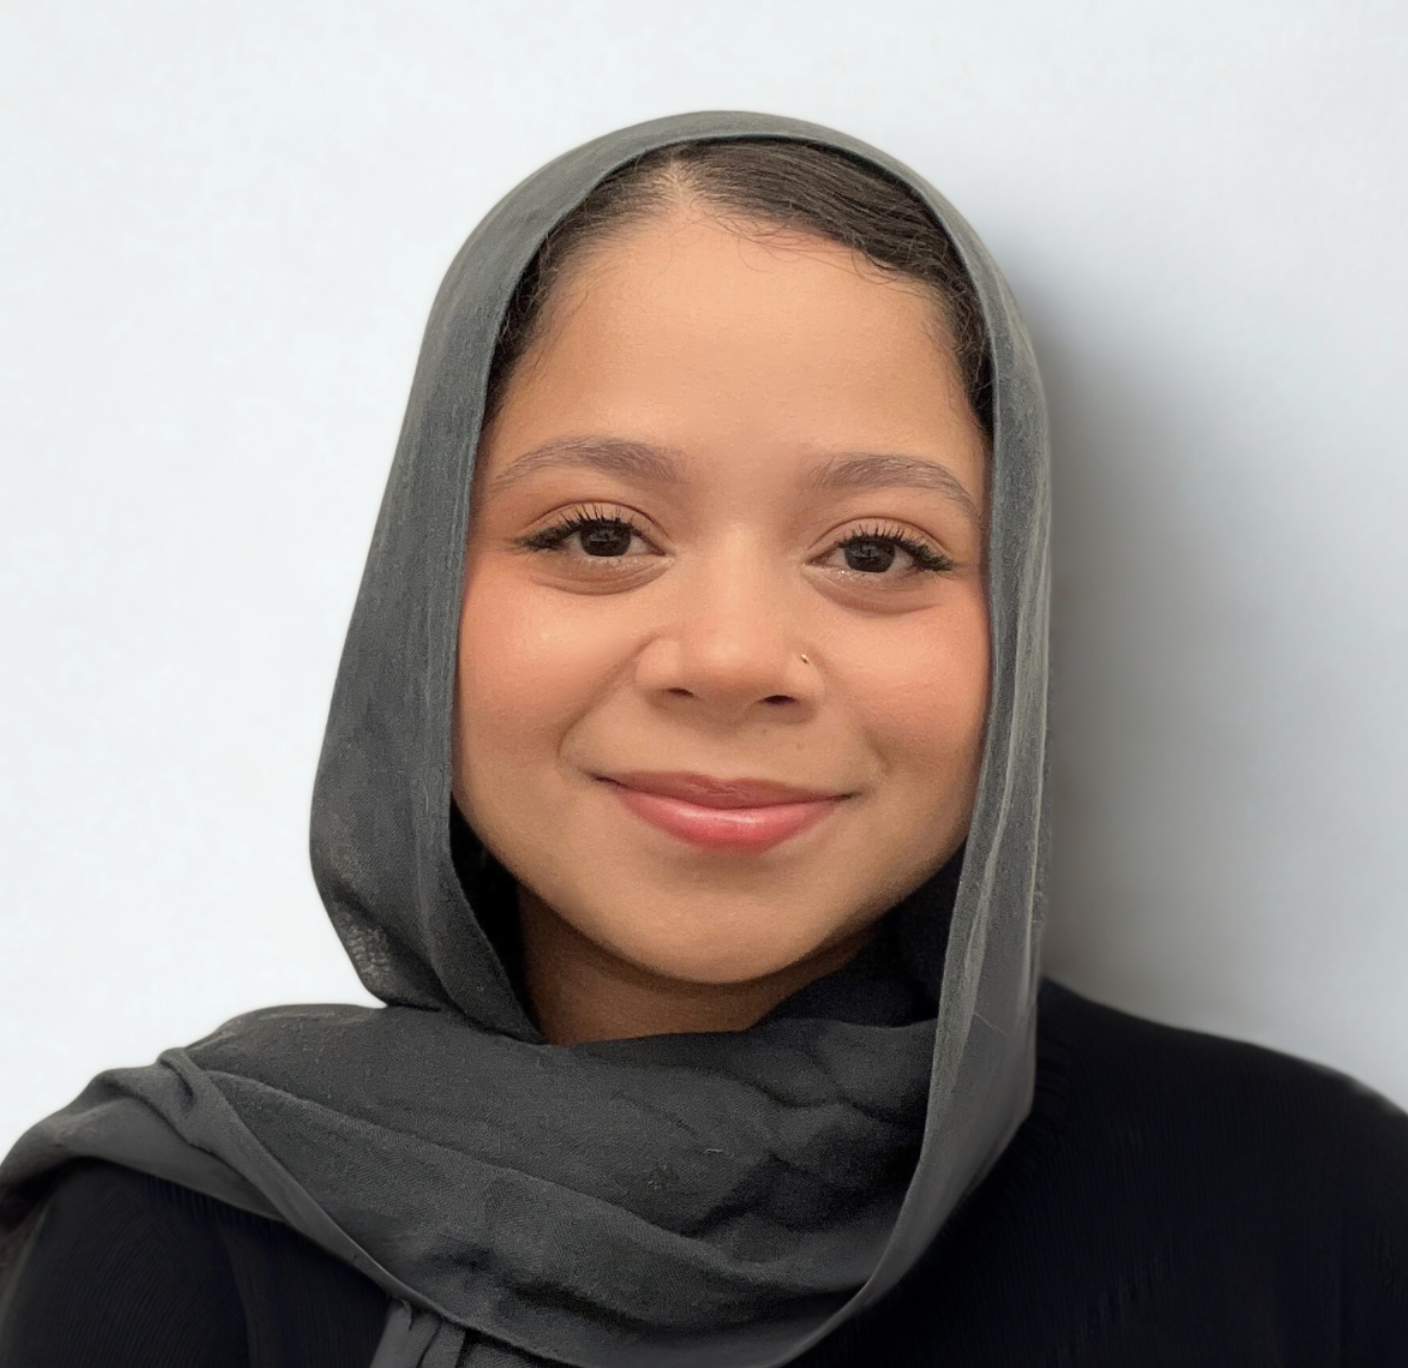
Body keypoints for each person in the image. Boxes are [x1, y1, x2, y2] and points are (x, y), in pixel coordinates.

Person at [0, 111, 1403, 1367]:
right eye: (600, 534)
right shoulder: (177, 1240)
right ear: (423, 591)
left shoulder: (1319, 1219)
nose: (730, 659)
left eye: (876, 548)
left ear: (1014, 618)